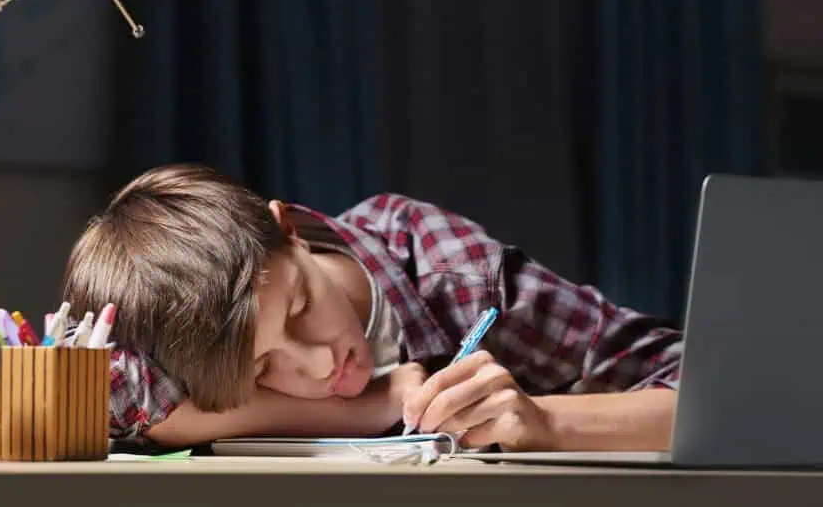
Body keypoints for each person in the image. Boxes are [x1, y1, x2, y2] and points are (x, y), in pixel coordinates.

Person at [62, 163, 682, 452]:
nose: (317, 366)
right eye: (260, 372)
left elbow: (715, 396)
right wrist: (368, 407)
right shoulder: (189, 335)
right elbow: (105, 387)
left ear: (292, 229)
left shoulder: (451, 273)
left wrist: (545, 423)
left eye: (301, 307)